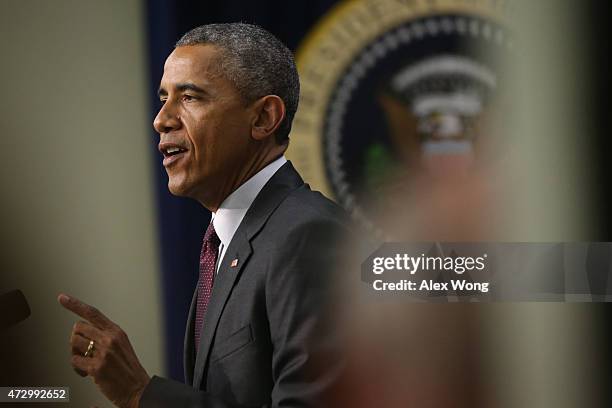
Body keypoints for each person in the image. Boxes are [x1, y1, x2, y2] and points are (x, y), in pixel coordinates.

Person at [58, 23, 349, 408]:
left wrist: (140, 394)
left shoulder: (309, 236)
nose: (161, 120)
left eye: (190, 97)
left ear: (263, 118)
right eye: (163, 98)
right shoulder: (229, 242)